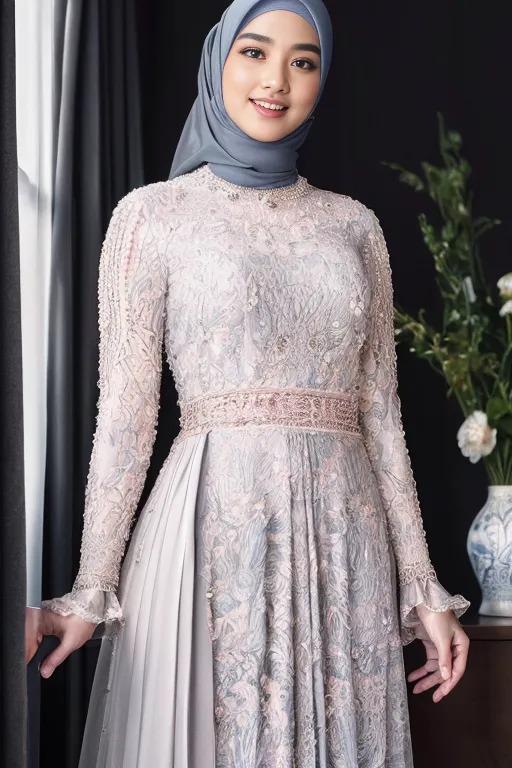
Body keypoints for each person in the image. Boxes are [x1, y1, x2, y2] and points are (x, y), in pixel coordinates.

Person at [26, 0, 471, 765]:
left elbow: (382, 414)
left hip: (346, 533)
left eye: (303, 61)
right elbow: (127, 417)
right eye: (255, 53)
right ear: (218, 62)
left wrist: (424, 589)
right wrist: (90, 587)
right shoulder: (152, 217)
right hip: (211, 527)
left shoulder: (355, 226)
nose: (277, 80)